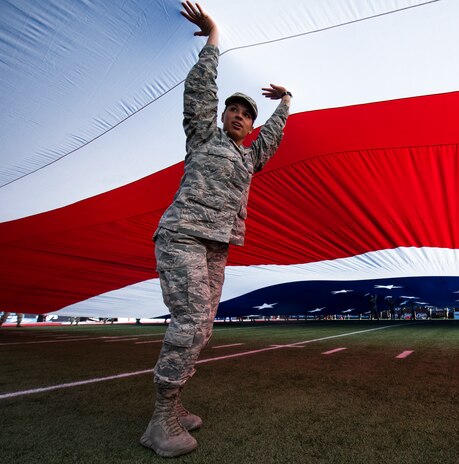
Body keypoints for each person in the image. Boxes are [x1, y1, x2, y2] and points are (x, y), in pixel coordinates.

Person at [140, 2, 292, 458]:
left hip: (217, 246)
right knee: (189, 322)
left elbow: (274, 136)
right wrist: (214, 37)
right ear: (222, 116)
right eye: (233, 110)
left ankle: (175, 402)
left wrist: (285, 101)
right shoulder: (203, 135)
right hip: (184, 235)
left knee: (203, 328)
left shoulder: (249, 156)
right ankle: (160, 421)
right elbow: (200, 89)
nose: (239, 115)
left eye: (247, 113)